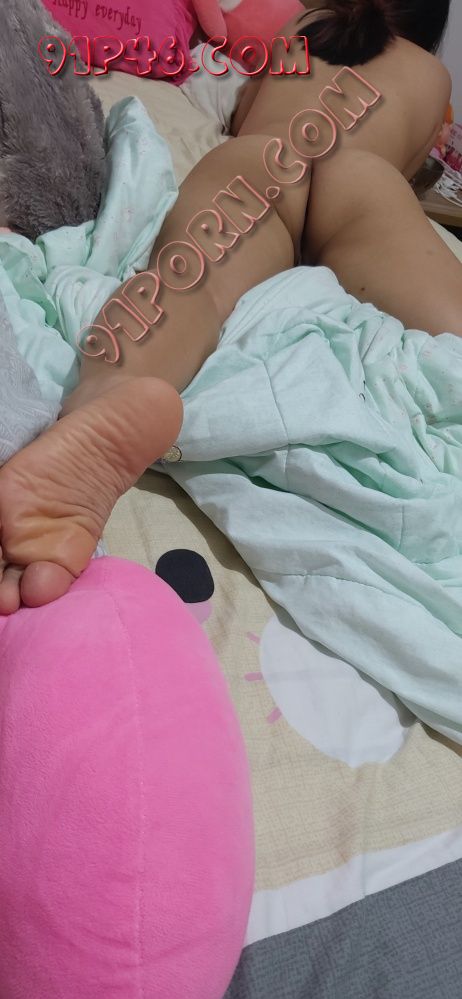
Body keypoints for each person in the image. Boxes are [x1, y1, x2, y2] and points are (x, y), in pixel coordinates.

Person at [0, 0, 460, 614]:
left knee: (190, 287)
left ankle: (104, 401)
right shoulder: (432, 77)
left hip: (262, 162)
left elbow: (242, 114)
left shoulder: (304, 28)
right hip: (363, 178)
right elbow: (410, 169)